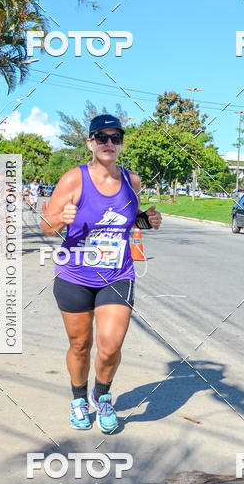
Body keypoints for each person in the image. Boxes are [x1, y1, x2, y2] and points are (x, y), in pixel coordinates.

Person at [41, 114, 161, 433]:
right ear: (90, 143)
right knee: (80, 345)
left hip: (117, 274)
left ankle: (102, 395)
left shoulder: (131, 181)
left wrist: (146, 220)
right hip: (74, 276)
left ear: (120, 144)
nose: (109, 144)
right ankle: (79, 399)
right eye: (102, 138)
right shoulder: (73, 179)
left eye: (116, 138)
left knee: (110, 345)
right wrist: (60, 219)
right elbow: (45, 226)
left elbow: (128, 219)